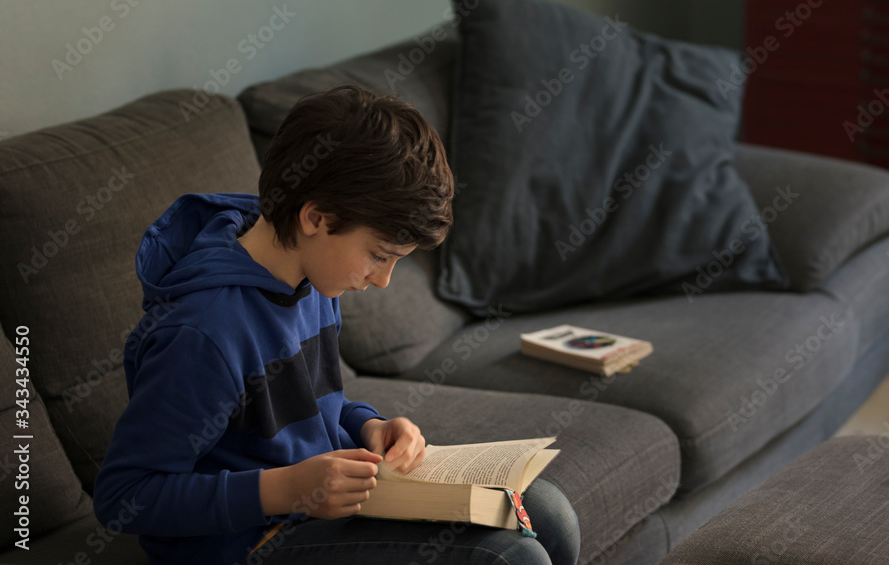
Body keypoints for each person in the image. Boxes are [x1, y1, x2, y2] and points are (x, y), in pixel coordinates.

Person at [92, 84, 580, 565]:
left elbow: (313, 403)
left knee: (550, 512)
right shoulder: (203, 335)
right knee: (511, 557)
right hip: (244, 541)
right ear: (316, 218)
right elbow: (124, 497)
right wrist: (285, 489)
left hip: (320, 510)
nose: (384, 280)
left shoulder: (309, 278)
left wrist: (370, 425)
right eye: (379, 255)